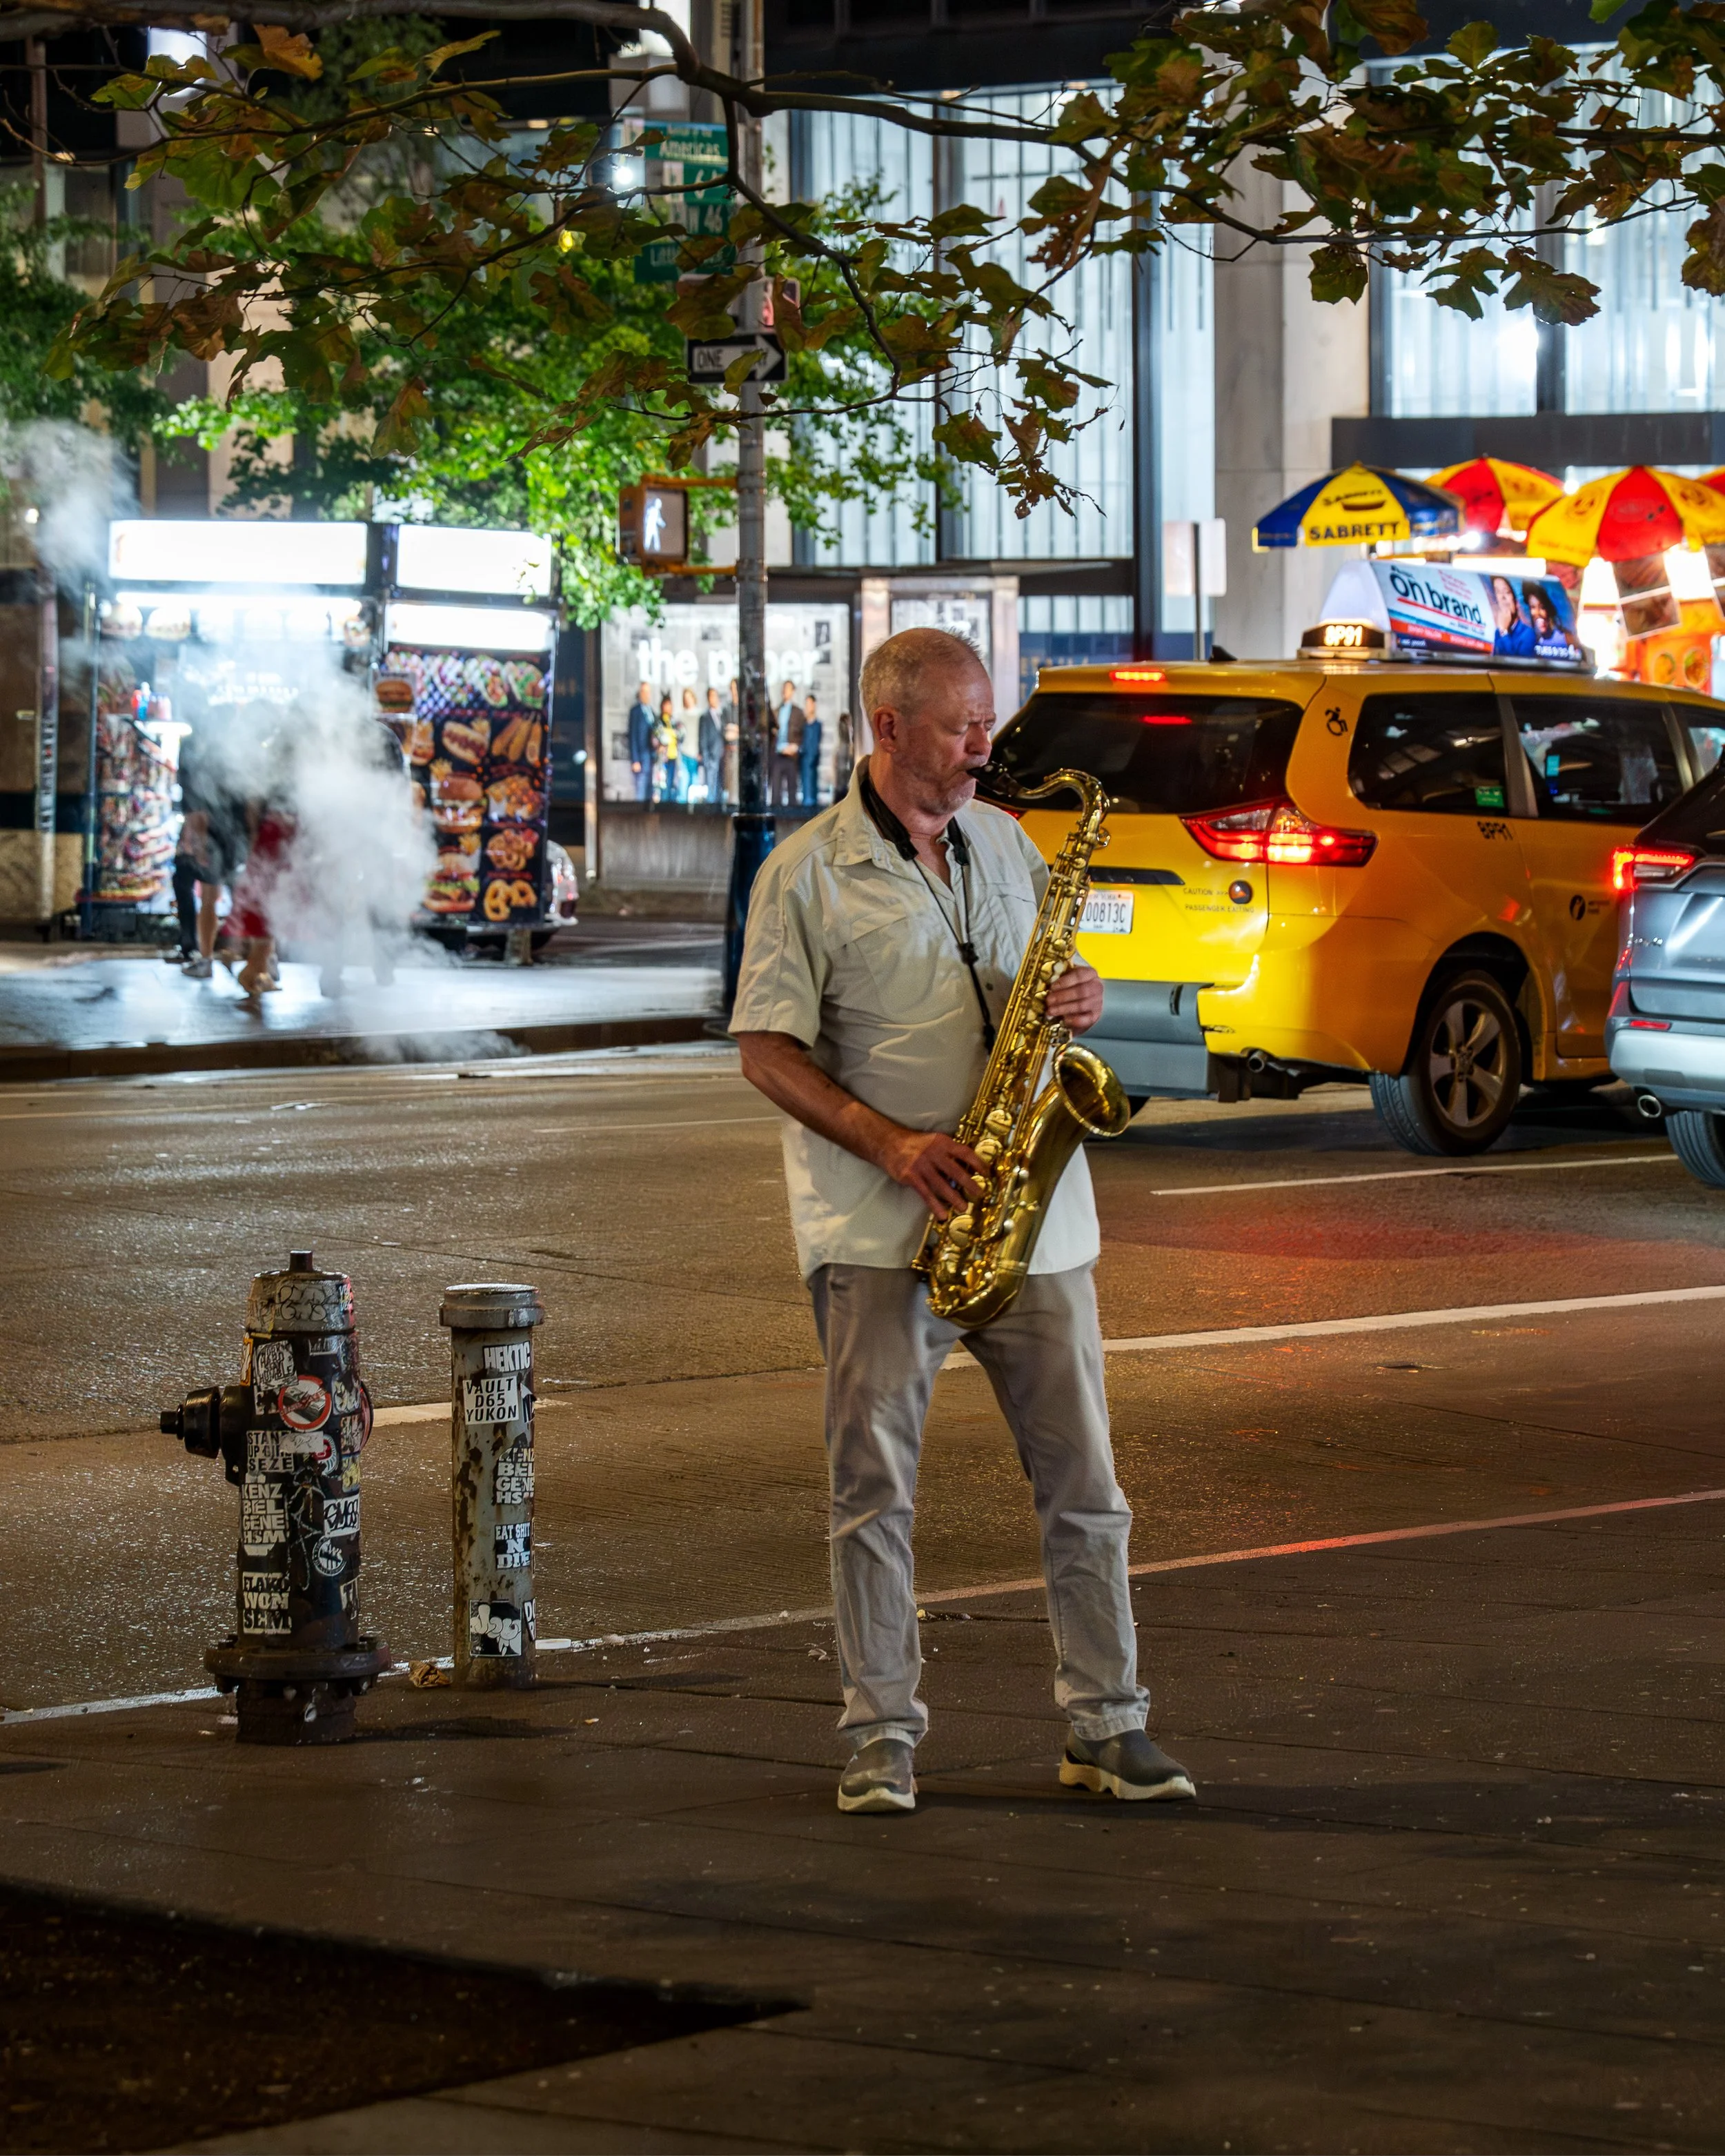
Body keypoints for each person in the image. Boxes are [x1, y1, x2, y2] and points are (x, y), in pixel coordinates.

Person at [731, 625, 1194, 1817]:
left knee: (1088, 1488)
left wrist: (1081, 994)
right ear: (888, 729)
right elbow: (765, 1051)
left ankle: (1109, 1723)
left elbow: (1045, 987)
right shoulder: (806, 871)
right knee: (873, 1497)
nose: (987, 745)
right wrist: (892, 1146)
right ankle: (878, 1735)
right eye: (962, 724)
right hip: (880, 1230)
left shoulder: (1006, 843)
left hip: (1037, 1221)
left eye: (985, 721)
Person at [771, 678, 803, 807]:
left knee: (792, 791)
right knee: (776, 791)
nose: (785, 691)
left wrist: (796, 747)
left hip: (791, 756)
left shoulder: (798, 713)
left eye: (788, 688)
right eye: (784, 689)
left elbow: (802, 734)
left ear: (793, 691)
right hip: (778, 754)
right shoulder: (776, 711)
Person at [1490, 576, 1536, 659]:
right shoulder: (1498, 632)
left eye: (1507, 592)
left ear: (1517, 603)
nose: (1502, 597)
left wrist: (1505, 632)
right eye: (1497, 592)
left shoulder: (1528, 633)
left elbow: (1517, 667)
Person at [627, 680, 656, 802]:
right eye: (644, 692)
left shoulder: (651, 711)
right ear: (640, 693)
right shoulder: (635, 711)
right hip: (641, 758)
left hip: (651, 757)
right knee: (641, 791)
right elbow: (632, 736)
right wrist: (635, 760)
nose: (646, 694)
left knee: (650, 791)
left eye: (648, 692)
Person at [651, 695, 682, 804]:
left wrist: (674, 735)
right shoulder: (658, 721)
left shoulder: (675, 722)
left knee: (672, 785)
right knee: (662, 785)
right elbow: (656, 738)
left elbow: (681, 735)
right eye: (666, 705)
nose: (668, 708)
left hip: (674, 757)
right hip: (663, 759)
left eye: (670, 705)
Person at [700, 687, 727, 805]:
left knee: (721, 788)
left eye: (715, 696)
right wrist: (706, 757)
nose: (714, 699)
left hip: (723, 757)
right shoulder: (705, 717)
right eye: (711, 696)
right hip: (711, 757)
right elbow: (703, 739)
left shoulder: (722, 715)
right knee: (711, 789)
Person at [799, 690, 822, 808]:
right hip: (804, 761)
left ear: (814, 705)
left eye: (809, 704)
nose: (807, 708)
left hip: (813, 762)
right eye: (806, 705)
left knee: (812, 787)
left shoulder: (818, 725)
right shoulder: (803, 725)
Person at [678, 686, 702, 799]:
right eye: (685, 698)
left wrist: (700, 752)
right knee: (683, 785)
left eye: (689, 697)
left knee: (695, 785)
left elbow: (702, 736)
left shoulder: (700, 715)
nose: (688, 700)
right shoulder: (681, 716)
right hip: (684, 754)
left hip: (695, 754)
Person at [833, 708, 855, 800]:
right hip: (843, 750)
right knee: (842, 773)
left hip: (843, 750)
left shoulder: (843, 727)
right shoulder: (843, 727)